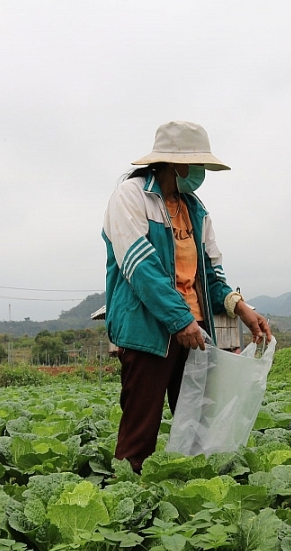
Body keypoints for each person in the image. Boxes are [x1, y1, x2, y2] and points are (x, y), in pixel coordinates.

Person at [102, 120, 273, 472]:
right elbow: (140, 267)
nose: (200, 173)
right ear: (178, 163)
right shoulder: (131, 198)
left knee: (197, 428)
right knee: (140, 429)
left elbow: (209, 275)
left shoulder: (195, 209)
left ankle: (191, 503)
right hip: (148, 332)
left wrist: (242, 308)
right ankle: (127, 502)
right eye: (198, 165)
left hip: (195, 334)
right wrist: (179, 320)